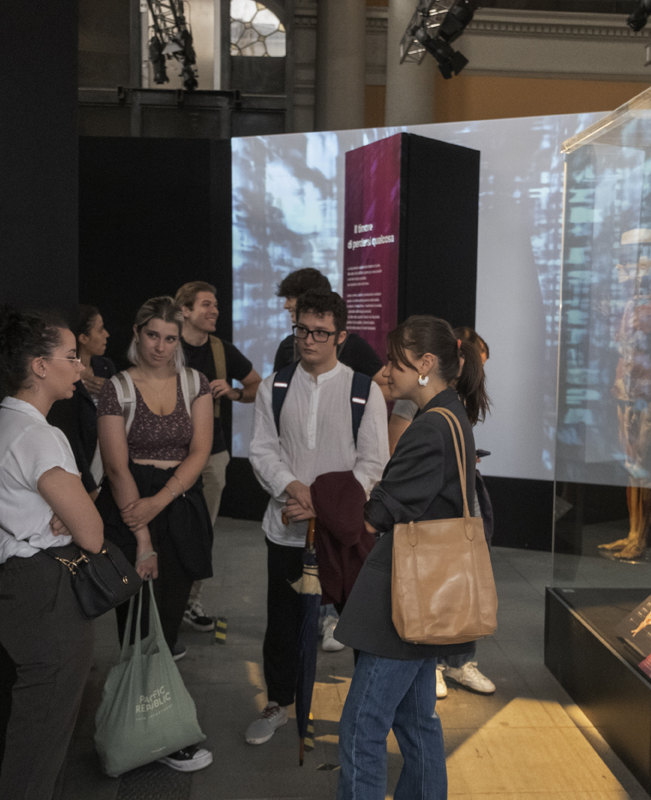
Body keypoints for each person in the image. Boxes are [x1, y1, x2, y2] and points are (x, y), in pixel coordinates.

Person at [333, 315, 491, 800]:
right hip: (426, 602)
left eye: (393, 361)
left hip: (403, 603)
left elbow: (379, 514)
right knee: (416, 721)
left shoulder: (428, 428)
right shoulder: (451, 415)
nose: (386, 371)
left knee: (362, 726)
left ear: (425, 364)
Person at [247, 289, 388, 746]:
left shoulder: (364, 391)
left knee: (358, 623)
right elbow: (263, 450)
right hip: (286, 526)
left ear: (341, 336)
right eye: (302, 330)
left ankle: (365, 712)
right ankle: (278, 703)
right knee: (283, 624)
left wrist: (321, 504)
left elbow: (372, 465)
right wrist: (295, 489)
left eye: (321, 333)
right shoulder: (274, 386)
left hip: (342, 531)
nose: (309, 340)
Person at [0, 305, 106, 799]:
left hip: (23, 587)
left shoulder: (3, 428)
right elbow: (92, 535)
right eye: (72, 357)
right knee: (41, 741)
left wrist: (67, 511)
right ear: (39, 366)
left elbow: (74, 515)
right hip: (45, 592)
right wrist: (71, 514)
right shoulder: (38, 436)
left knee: (38, 734)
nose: (81, 366)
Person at [95, 296, 215, 771]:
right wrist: (142, 537)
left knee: (167, 622)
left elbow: (200, 450)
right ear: (137, 333)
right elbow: (115, 466)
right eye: (153, 336)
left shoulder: (195, 383)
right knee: (136, 626)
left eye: (170, 338)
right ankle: (141, 727)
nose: (161, 346)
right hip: (129, 510)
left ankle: (161, 725)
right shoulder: (117, 389)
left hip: (179, 505)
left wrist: (161, 500)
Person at [387, 326, 496, 699]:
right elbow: (399, 448)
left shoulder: (452, 401)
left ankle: (457, 659)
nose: (387, 371)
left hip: (452, 499)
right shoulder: (419, 400)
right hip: (430, 501)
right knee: (439, 576)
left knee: (455, 575)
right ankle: (433, 662)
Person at [175, 281, 262, 632]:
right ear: (185, 310)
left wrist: (236, 392)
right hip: (167, 454)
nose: (214, 312)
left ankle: (188, 602)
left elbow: (258, 385)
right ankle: (159, 599)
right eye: (206, 305)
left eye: (216, 306)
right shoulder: (167, 345)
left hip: (213, 454)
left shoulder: (222, 350)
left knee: (202, 531)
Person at [271, 268, 387, 394]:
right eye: (302, 331)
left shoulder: (354, 346)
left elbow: (387, 386)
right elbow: (276, 390)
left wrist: (351, 397)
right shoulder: (287, 345)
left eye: (290, 298)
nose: (286, 305)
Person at [50, 305, 116, 494]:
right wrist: (88, 485)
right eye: (100, 329)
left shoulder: (106, 367)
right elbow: (71, 434)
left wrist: (113, 392)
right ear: (83, 337)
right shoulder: (66, 380)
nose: (107, 335)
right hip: (82, 471)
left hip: (107, 466)